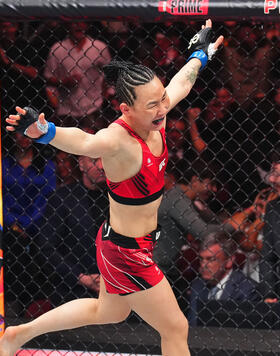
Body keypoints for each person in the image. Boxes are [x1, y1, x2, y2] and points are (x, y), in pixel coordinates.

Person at [1, 19, 223, 356]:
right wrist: (45, 133)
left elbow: (181, 84)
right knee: (176, 326)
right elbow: (86, 142)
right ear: (125, 110)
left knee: (109, 311)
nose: (163, 108)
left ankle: (18, 334)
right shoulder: (119, 139)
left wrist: (199, 56)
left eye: (162, 100)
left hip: (126, 242)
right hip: (126, 252)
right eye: (153, 105)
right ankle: (18, 334)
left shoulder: (156, 113)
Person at [38, 154, 106, 307]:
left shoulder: (122, 198)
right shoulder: (63, 198)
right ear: (81, 164)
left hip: (118, 287)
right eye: (95, 160)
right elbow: (46, 247)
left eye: (106, 159)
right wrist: (81, 277)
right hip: (72, 291)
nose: (102, 166)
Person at [2, 132, 56, 314]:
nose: (24, 138)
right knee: (12, 247)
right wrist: (13, 223)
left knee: (40, 249)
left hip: (39, 223)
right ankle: (11, 301)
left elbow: (47, 199)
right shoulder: (4, 164)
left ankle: (31, 304)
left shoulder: (47, 166)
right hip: (8, 224)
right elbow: (2, 197)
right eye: (19, 133)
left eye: (27, 134)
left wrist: (29, 224)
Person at [44, 21, 111, 129]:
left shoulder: (99, 47)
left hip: (94, 106)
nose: (79, 25)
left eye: (82, 22)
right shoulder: (57, 49)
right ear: (68, 24)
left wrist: (106, 97)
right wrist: (63, 82)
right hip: (66, 108)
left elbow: (109, 74)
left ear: (88, 25)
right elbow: (48, 77)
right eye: (75, 22)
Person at [188, 230, 259, 326]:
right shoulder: (198, 285)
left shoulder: (246, 289)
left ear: (229, 261)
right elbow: (193, 324)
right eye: (201, 259)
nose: (204, 265)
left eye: (211, 259)